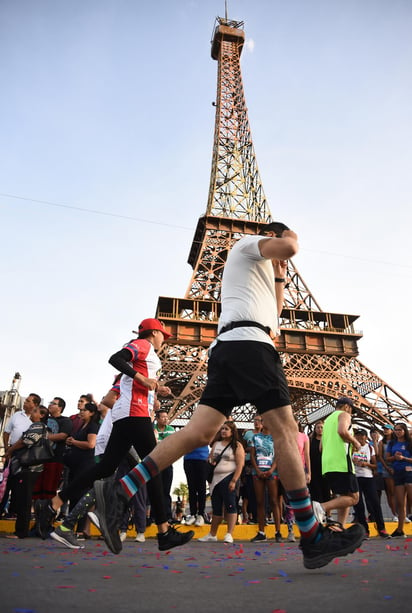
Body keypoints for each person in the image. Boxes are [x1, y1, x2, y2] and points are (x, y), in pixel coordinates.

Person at [92, 221, 365, 569]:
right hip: (250, 346)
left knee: (198, 432)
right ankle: (312, 535)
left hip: (231, 347)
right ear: (272, 237)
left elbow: (275, 318)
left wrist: (280, 276)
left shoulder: (258, 274)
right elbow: (292, 248)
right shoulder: (246, 244)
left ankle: (121, 490)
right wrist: (290, 239)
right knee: (284, 428)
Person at [37, 318, 194, 553]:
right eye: (163, 335)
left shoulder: (147, 354)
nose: (164, 339)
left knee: (105, 468)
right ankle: (163, 532)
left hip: (126, 415)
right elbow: (115, 359)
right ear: (153, 333)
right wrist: (142, 379)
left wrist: (155, 387)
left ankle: (54, 503)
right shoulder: (143, 344)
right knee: (154, 467)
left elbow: (127, 379)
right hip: (135, 414)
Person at [313, 397, 361, 529]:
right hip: (341, 463)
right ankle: (321, 507)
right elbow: (342, 431)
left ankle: (340, 526)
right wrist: (355, 442)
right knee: (354, 498)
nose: (351, 414)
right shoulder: (344, 415)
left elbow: (321, 447)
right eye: (351, 410)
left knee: (344, 496)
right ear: (347, 407)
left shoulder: (327, 421)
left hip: (328, 464)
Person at [4, 405, 49, 538]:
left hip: (29, 467)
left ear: (41, 415)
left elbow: (26, 441)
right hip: (31, 468)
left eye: (35, 411)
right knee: (23, 497)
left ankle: (21, 531)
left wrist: (10, 450)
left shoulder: (37, 426)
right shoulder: (40, 427)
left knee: (24, 499)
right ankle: (21, 530)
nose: (32, 413)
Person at [198, 421, 244, 543]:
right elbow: (210, 458)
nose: (223, 431)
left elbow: (240, 464)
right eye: (222, 429)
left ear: (232, 432)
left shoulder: (237, 446)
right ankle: (212, 534)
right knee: (216, 507)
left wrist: (234, 480)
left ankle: (229, 533)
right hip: (215, 480)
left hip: (229, 477)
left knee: (230, 505)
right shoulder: (216, 444)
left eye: (226, 429)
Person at [63, 401, 100, 537]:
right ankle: (71, 527)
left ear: (91, 413)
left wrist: (74, 442)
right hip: (76, 465)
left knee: (81, 496)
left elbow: (91, 444)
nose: (81, 412)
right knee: (74, 496)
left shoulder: (93, 426)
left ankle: (79, 529)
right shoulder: (81, 426)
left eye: (85, 410)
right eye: (81, 410)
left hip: (85, 466)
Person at [0, 393, 41, 516]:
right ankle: (1, 508)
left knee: (19, 485)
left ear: (35, 405)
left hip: (26, 456)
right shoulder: (17, 415)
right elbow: (6, 432)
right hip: (11, 453)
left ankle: (13, 512)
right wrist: (8, 449)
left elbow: (27, 440)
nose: (25, 403)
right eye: (25, 400)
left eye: (28, 401)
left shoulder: (37, 420)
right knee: (6, 482)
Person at [351, 428, 390, 539]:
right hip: (355, 478)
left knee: (374, 503)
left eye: (361, 436)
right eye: (357, 435)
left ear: (365, 437)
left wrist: (366, 464)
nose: (359, 438)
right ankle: (364, 530)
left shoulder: (369, 448)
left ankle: (381, 528)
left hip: (368, 478)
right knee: (359, 505)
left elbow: (375, 465)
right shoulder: (351, 447)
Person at [249, 417, 282, 542]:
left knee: (274, 501)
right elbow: (252, 454)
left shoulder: (276, 437)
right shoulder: (255, 437)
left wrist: (272, 469)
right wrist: (257, 470)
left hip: (271, 471)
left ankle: (278, 531)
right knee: (259, 502)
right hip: (257, 471)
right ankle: (261, 532)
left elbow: (278, 454)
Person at [385, 423, 412, 537]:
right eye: (396, 430)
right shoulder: (392, 443)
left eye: (400, 430)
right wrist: (395, 457)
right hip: (398, 473)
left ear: (404, 430)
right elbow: (387, 458)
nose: (397, 432)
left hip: (409, 472)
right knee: (400, 503)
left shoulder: (410, 443)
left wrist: (403, 458)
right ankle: (400, 530)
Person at [154, 409, 175, 522]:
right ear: (156, 419)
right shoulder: (152, 429)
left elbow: (170, 445)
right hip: (156, 463)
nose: (166, 419)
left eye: (166, 417)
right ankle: (155, 515)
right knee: (156, 490)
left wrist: (158, 441)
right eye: (163, 417)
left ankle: (167, 515)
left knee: (166, 490)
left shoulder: (171, 430)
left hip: (166, 463)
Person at [242, 414, 263, 523]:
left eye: (258, 420)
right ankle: (254, 516)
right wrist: (250, 449)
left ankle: (263, 516)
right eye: (255, 420)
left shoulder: (266, 435)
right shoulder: (248, 434)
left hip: (262, 463)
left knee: (264, 492)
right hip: (249, 464)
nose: (256, 422)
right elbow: (242, 447)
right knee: (251, 491)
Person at [183, 444, 209, 526]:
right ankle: (193, 514)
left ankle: (201, 514)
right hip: (188, 459)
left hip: (202, 458)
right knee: (191, 488)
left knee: (201, 488)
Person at [377, 424, 397, 520]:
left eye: (387, 429)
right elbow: (380, 456)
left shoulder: (396, 441)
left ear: (392, 430)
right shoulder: (381, 442)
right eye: (384, 429)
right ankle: (394, 514)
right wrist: (387, 467)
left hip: (397, 468)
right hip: (387, 468)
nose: (385, 430)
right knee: (391, 492)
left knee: (401, 492)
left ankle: (402, 513)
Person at [308, 420, 330, 505]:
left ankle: (328, 514)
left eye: (321, 427)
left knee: (326, 491)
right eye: (318, 427)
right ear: (315, 429)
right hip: (314, 469)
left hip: (325, 469)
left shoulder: (327, 440)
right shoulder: (311, 440)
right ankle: (318, 513)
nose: (320, 429)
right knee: (316, 492)